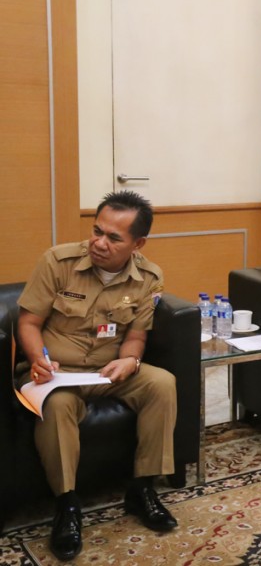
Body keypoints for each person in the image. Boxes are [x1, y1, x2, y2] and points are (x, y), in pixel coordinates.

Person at [17, 191, 178, 561]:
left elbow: (136, 336)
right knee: (58, 404)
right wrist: (39, 359)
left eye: (113, 238)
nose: (99, 243)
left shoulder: (149, 277)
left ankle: (142, 489)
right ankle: (67, 505)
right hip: (53, 372)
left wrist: (131, 361)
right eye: (96, 231)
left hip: (106, 371)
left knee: (162, 383)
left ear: (138, 244)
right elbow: (28, 322)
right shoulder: (58, 261)